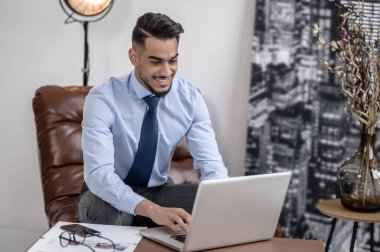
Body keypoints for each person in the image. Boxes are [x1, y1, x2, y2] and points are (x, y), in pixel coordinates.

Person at [77, 12, 228, 234]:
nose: (166, 72)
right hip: (105, 195)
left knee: (222, 206)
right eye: (156, 62)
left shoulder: (190, 98)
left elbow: (211, 164)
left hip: (158, 191)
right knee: (111, 215)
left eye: (173, 60)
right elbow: (99, 175)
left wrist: (221, 197)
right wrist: (153, 211)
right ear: (134, 57)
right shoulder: (102, 98)